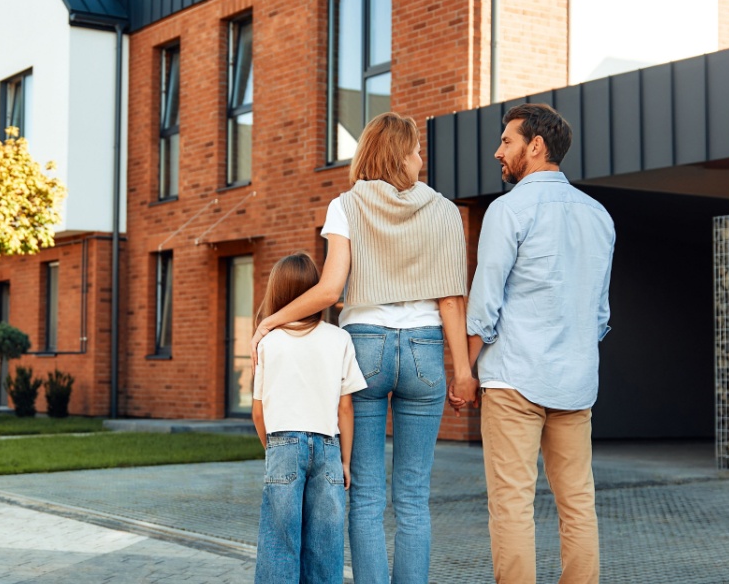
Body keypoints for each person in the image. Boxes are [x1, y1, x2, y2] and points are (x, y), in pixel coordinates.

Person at [252, 112, 474, 584]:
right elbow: (452, 299)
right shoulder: (445, 211)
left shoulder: (346, 205)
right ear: (398, 154)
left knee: (367, 496)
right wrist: (463, 372)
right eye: (415, 150)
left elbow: (331, 290)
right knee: (413, 496)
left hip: (365, 346)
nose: (420, 158)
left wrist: (271, 319)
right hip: (426, 349)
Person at [454, 102, 615, 584]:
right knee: (578, 503)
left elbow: (484, 304)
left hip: (514, 380)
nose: (497, 151)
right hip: (576, 383)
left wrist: (464, 373)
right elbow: (601, 312)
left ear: (536, 146)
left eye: (507, 141)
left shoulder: (509, 210)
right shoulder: (600, 216)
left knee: (511, 505)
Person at [251, 252, 367, 584]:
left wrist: (272, 448)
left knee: (279, 541)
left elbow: (258, 412)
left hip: (282, 444)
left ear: (276, 292)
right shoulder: (339, 338)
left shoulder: (267, 342)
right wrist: (345, 462)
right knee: (325, 546)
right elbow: (345, 409)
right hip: (329, 448)